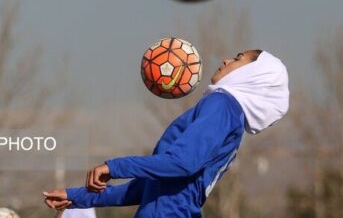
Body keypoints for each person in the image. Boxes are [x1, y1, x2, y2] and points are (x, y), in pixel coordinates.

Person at [43, 49, 289, 217]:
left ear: (254, 76)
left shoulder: (223, 105)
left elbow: (183, 163)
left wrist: (115, 167)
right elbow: (146, 189)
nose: (226, 60)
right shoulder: (228, 114)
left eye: (237, 58)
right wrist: (77, 197)